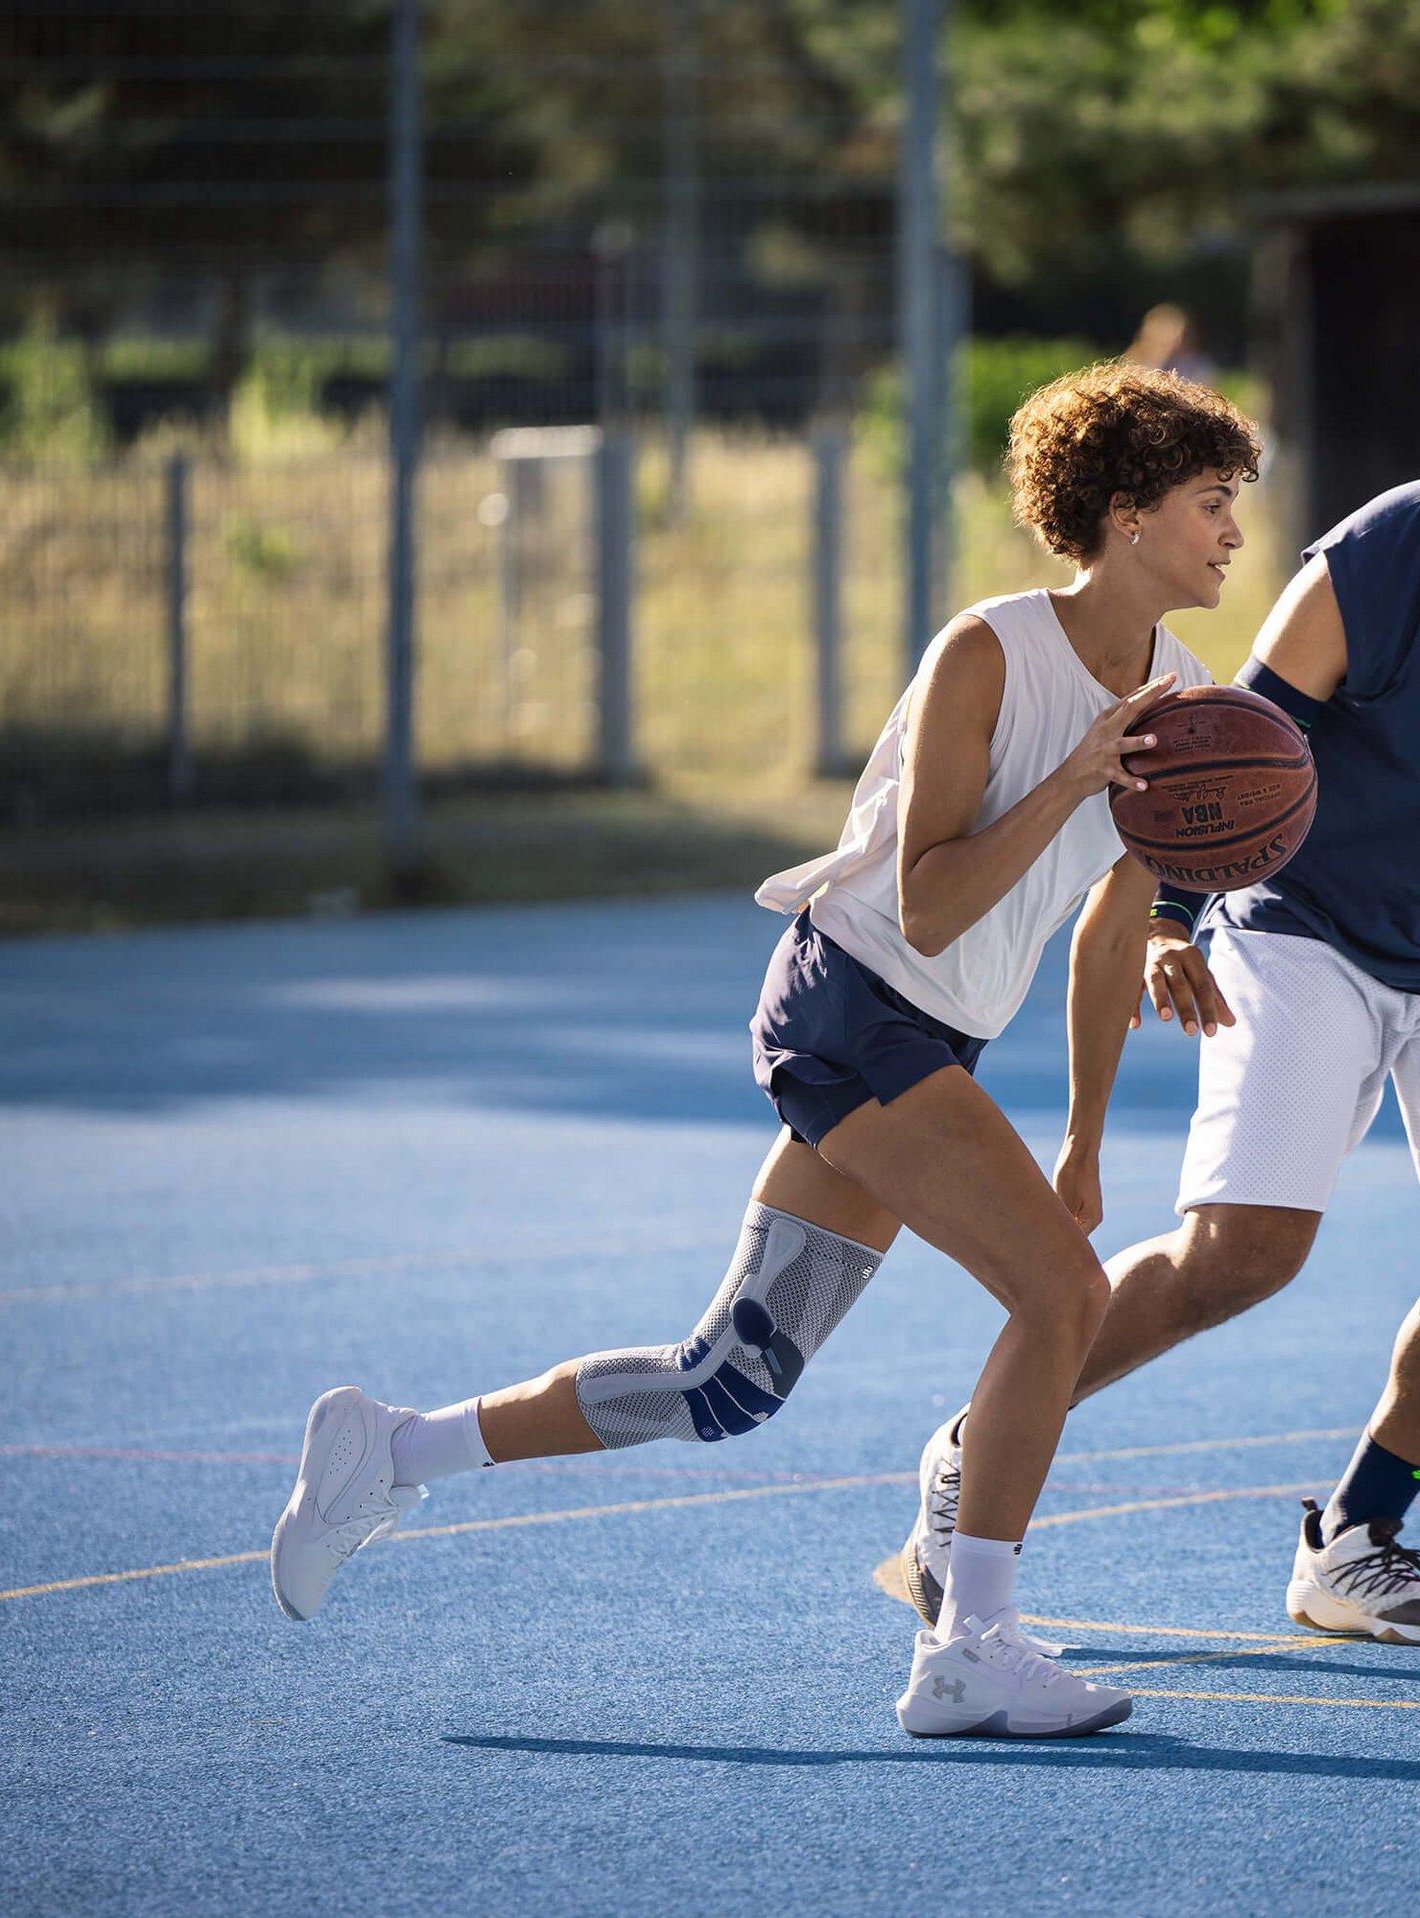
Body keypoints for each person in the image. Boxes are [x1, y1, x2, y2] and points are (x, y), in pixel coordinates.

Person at [272, 363, 1258, 1740]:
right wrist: (1077, 776)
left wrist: (1089, 1133)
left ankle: (393, 1445)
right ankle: (970, 1639)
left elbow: (1108, 928)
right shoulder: (989, 651)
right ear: (1129, 511)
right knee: (1062, 1296)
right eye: (1212, 502)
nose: (1233, 532)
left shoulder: (1189, 695)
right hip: (850, 1001)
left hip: (934, 1036)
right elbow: (929, 900)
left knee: (726, 1380)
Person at [901, 482, 1420, 1646]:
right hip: (1307, 927)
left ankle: (1356, 1538)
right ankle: (981, 1443)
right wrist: (1170, 916)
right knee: (1241, 1257)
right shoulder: (1389, 551)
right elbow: (1230, 743)